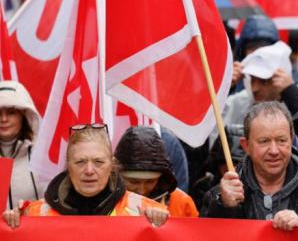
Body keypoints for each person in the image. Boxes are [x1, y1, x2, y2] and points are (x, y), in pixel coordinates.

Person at [200, 102, 298, 229]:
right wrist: (225, 208)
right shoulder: (219, 196)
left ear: (292, 141)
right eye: (264, 141)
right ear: (246, 146)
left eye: (281, 140)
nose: (274, 151)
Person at [2, 125, 169, 228]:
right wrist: (12, 223)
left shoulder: (146, 212)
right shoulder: (34, 214)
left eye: (98, 162)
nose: (89, 170)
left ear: (112, 165)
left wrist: (163, 226)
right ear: (68, 165)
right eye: (80, 162)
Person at [220, 41, 298, 135]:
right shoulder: (240, 101)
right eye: (252, 79)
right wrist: (225, 87)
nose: (255, 89)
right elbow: (212, 129)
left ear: (282, 77)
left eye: (263, 80)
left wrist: (292, 94)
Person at [114, 126, 198, 217]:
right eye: (134, 182)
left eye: (150, 181)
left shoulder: (182, 203)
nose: (142, 190)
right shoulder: (106, 201)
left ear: (161, 177)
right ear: (118, 176)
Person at [0, 81, 43, 211]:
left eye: (11, 112)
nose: (4, 119)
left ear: (24, 115)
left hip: (36, 230)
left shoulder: (43, 153)